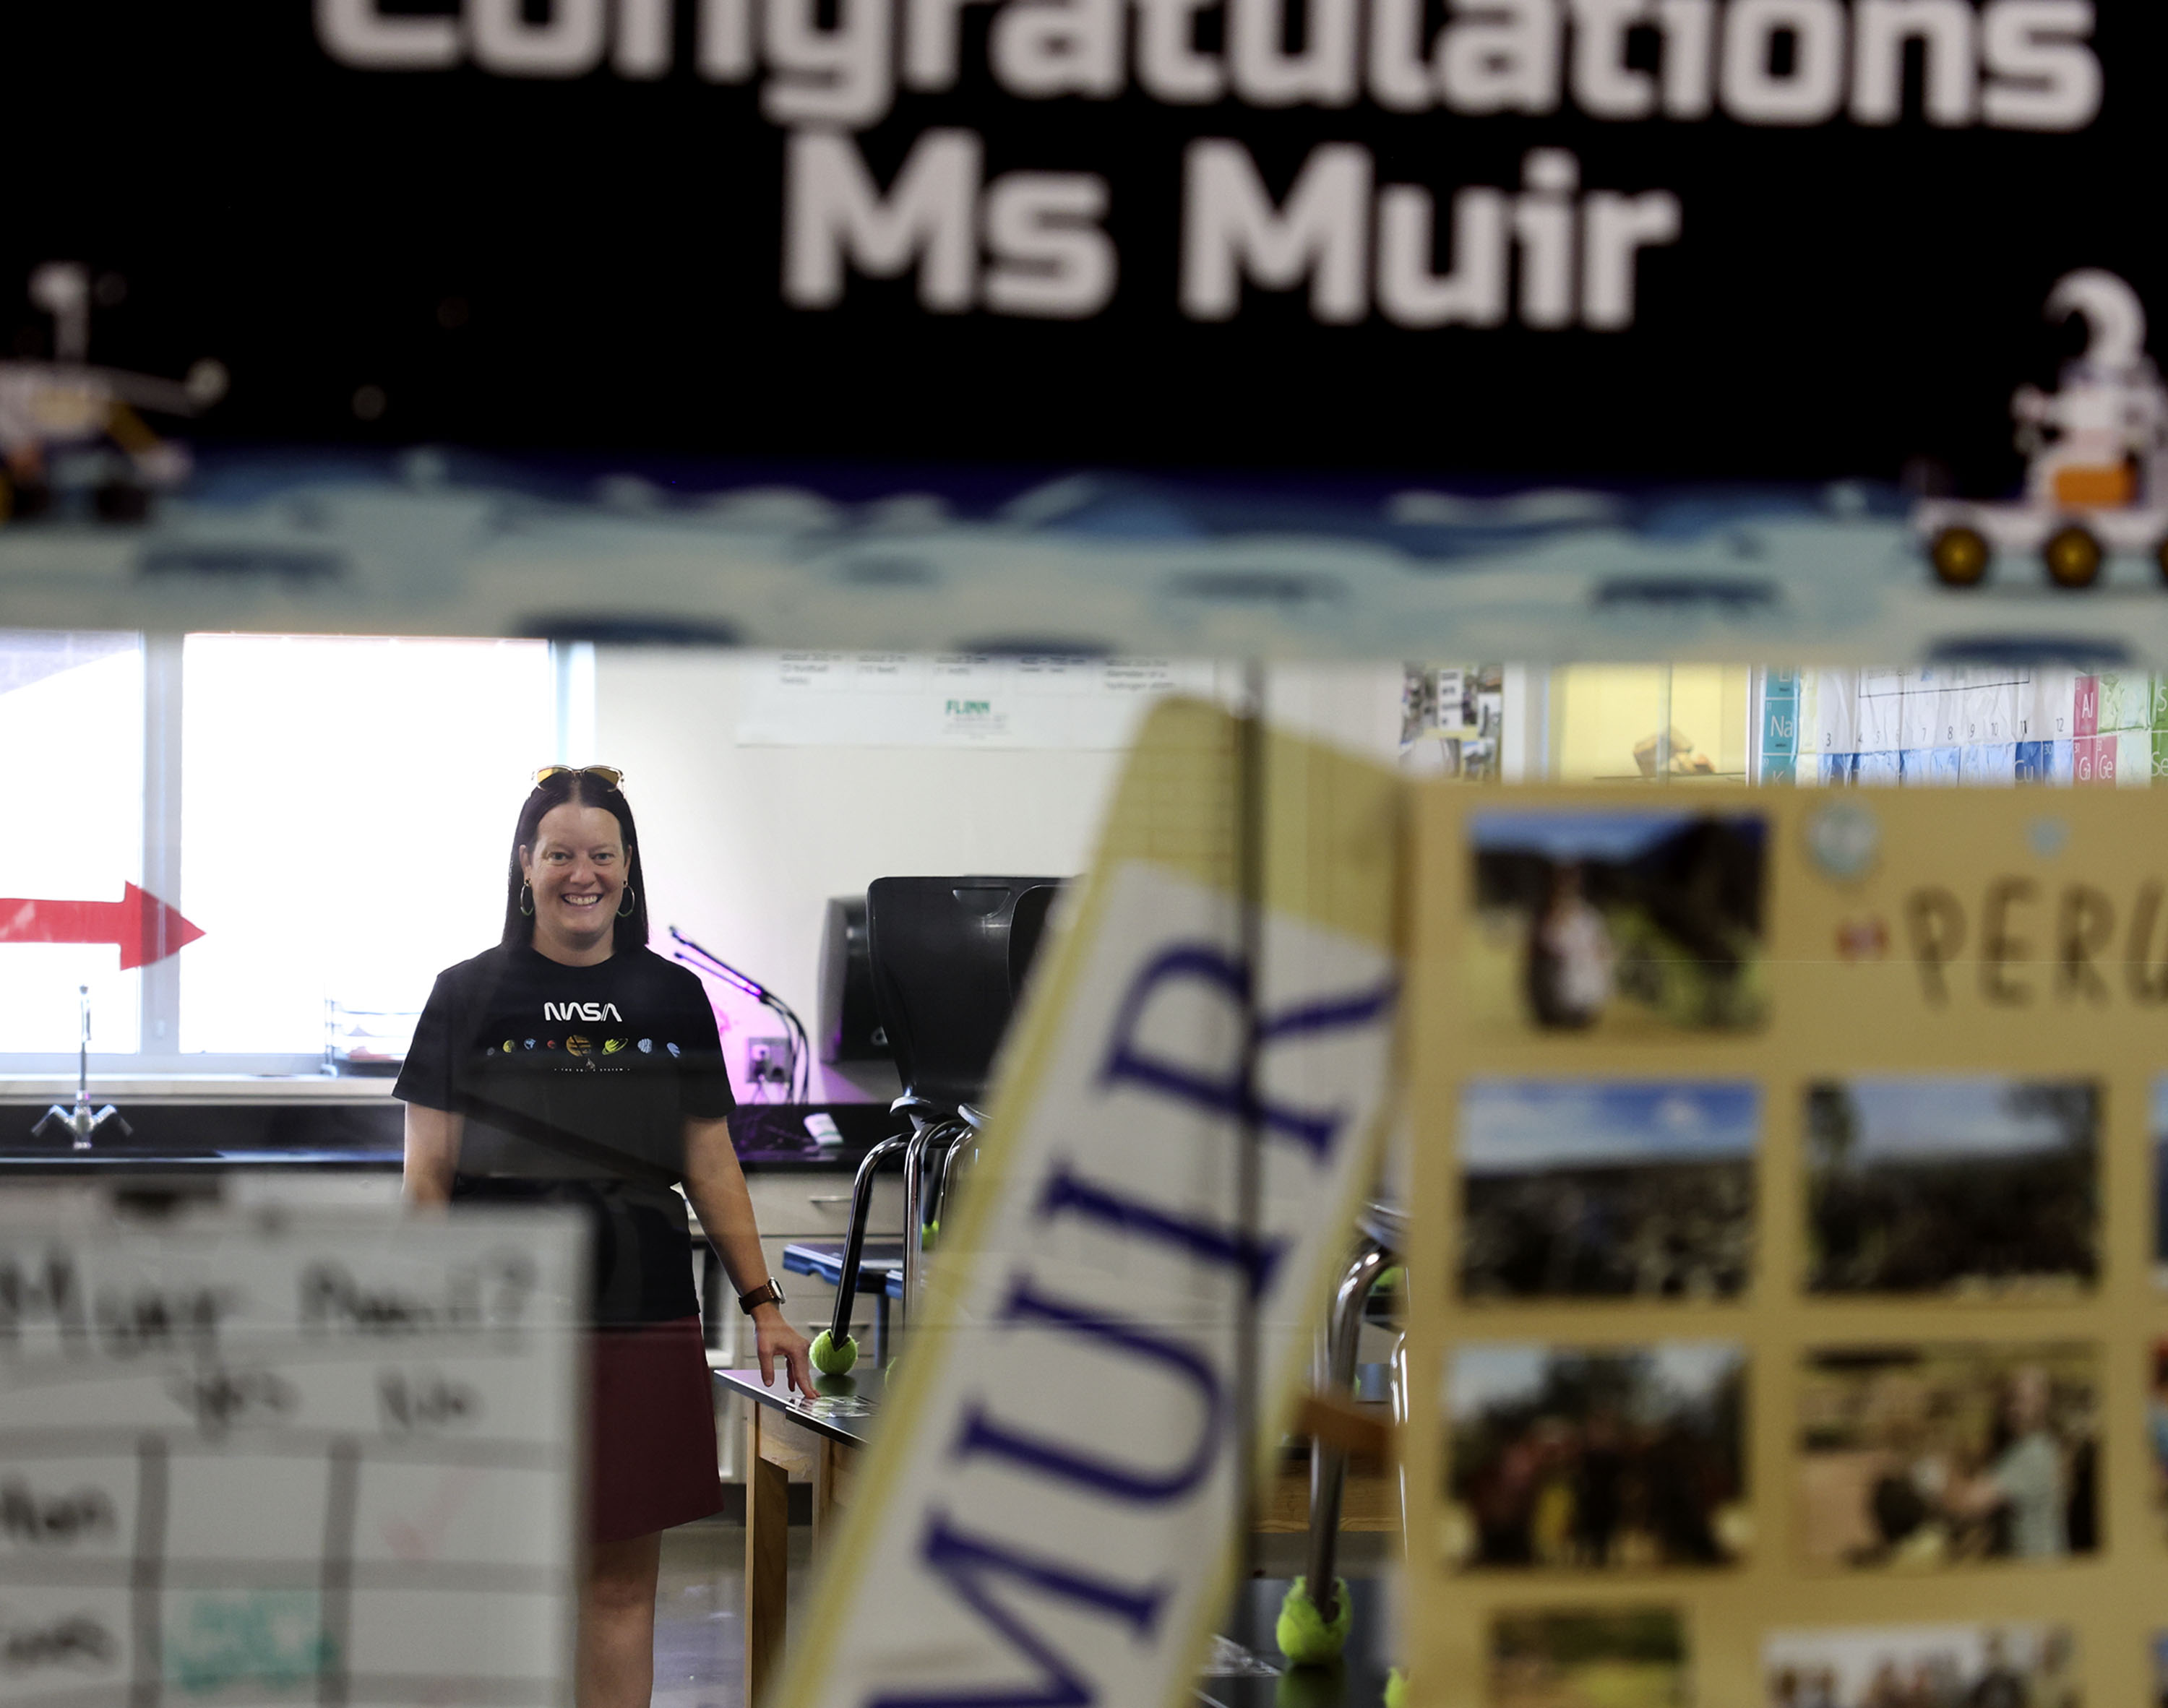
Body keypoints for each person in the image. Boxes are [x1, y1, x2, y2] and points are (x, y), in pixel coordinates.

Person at [396, 765, 814, 1708]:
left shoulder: (671, 998)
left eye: (601, 854)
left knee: (621, 1585)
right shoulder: (465, 995)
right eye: (560, 855)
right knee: (496, 1581)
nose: (581, 874)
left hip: (640, 1313)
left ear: (627, 868)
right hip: (497, 1322)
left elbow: (710, 1165)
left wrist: (766, 1306)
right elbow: (426, 1176)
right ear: (525, 864)